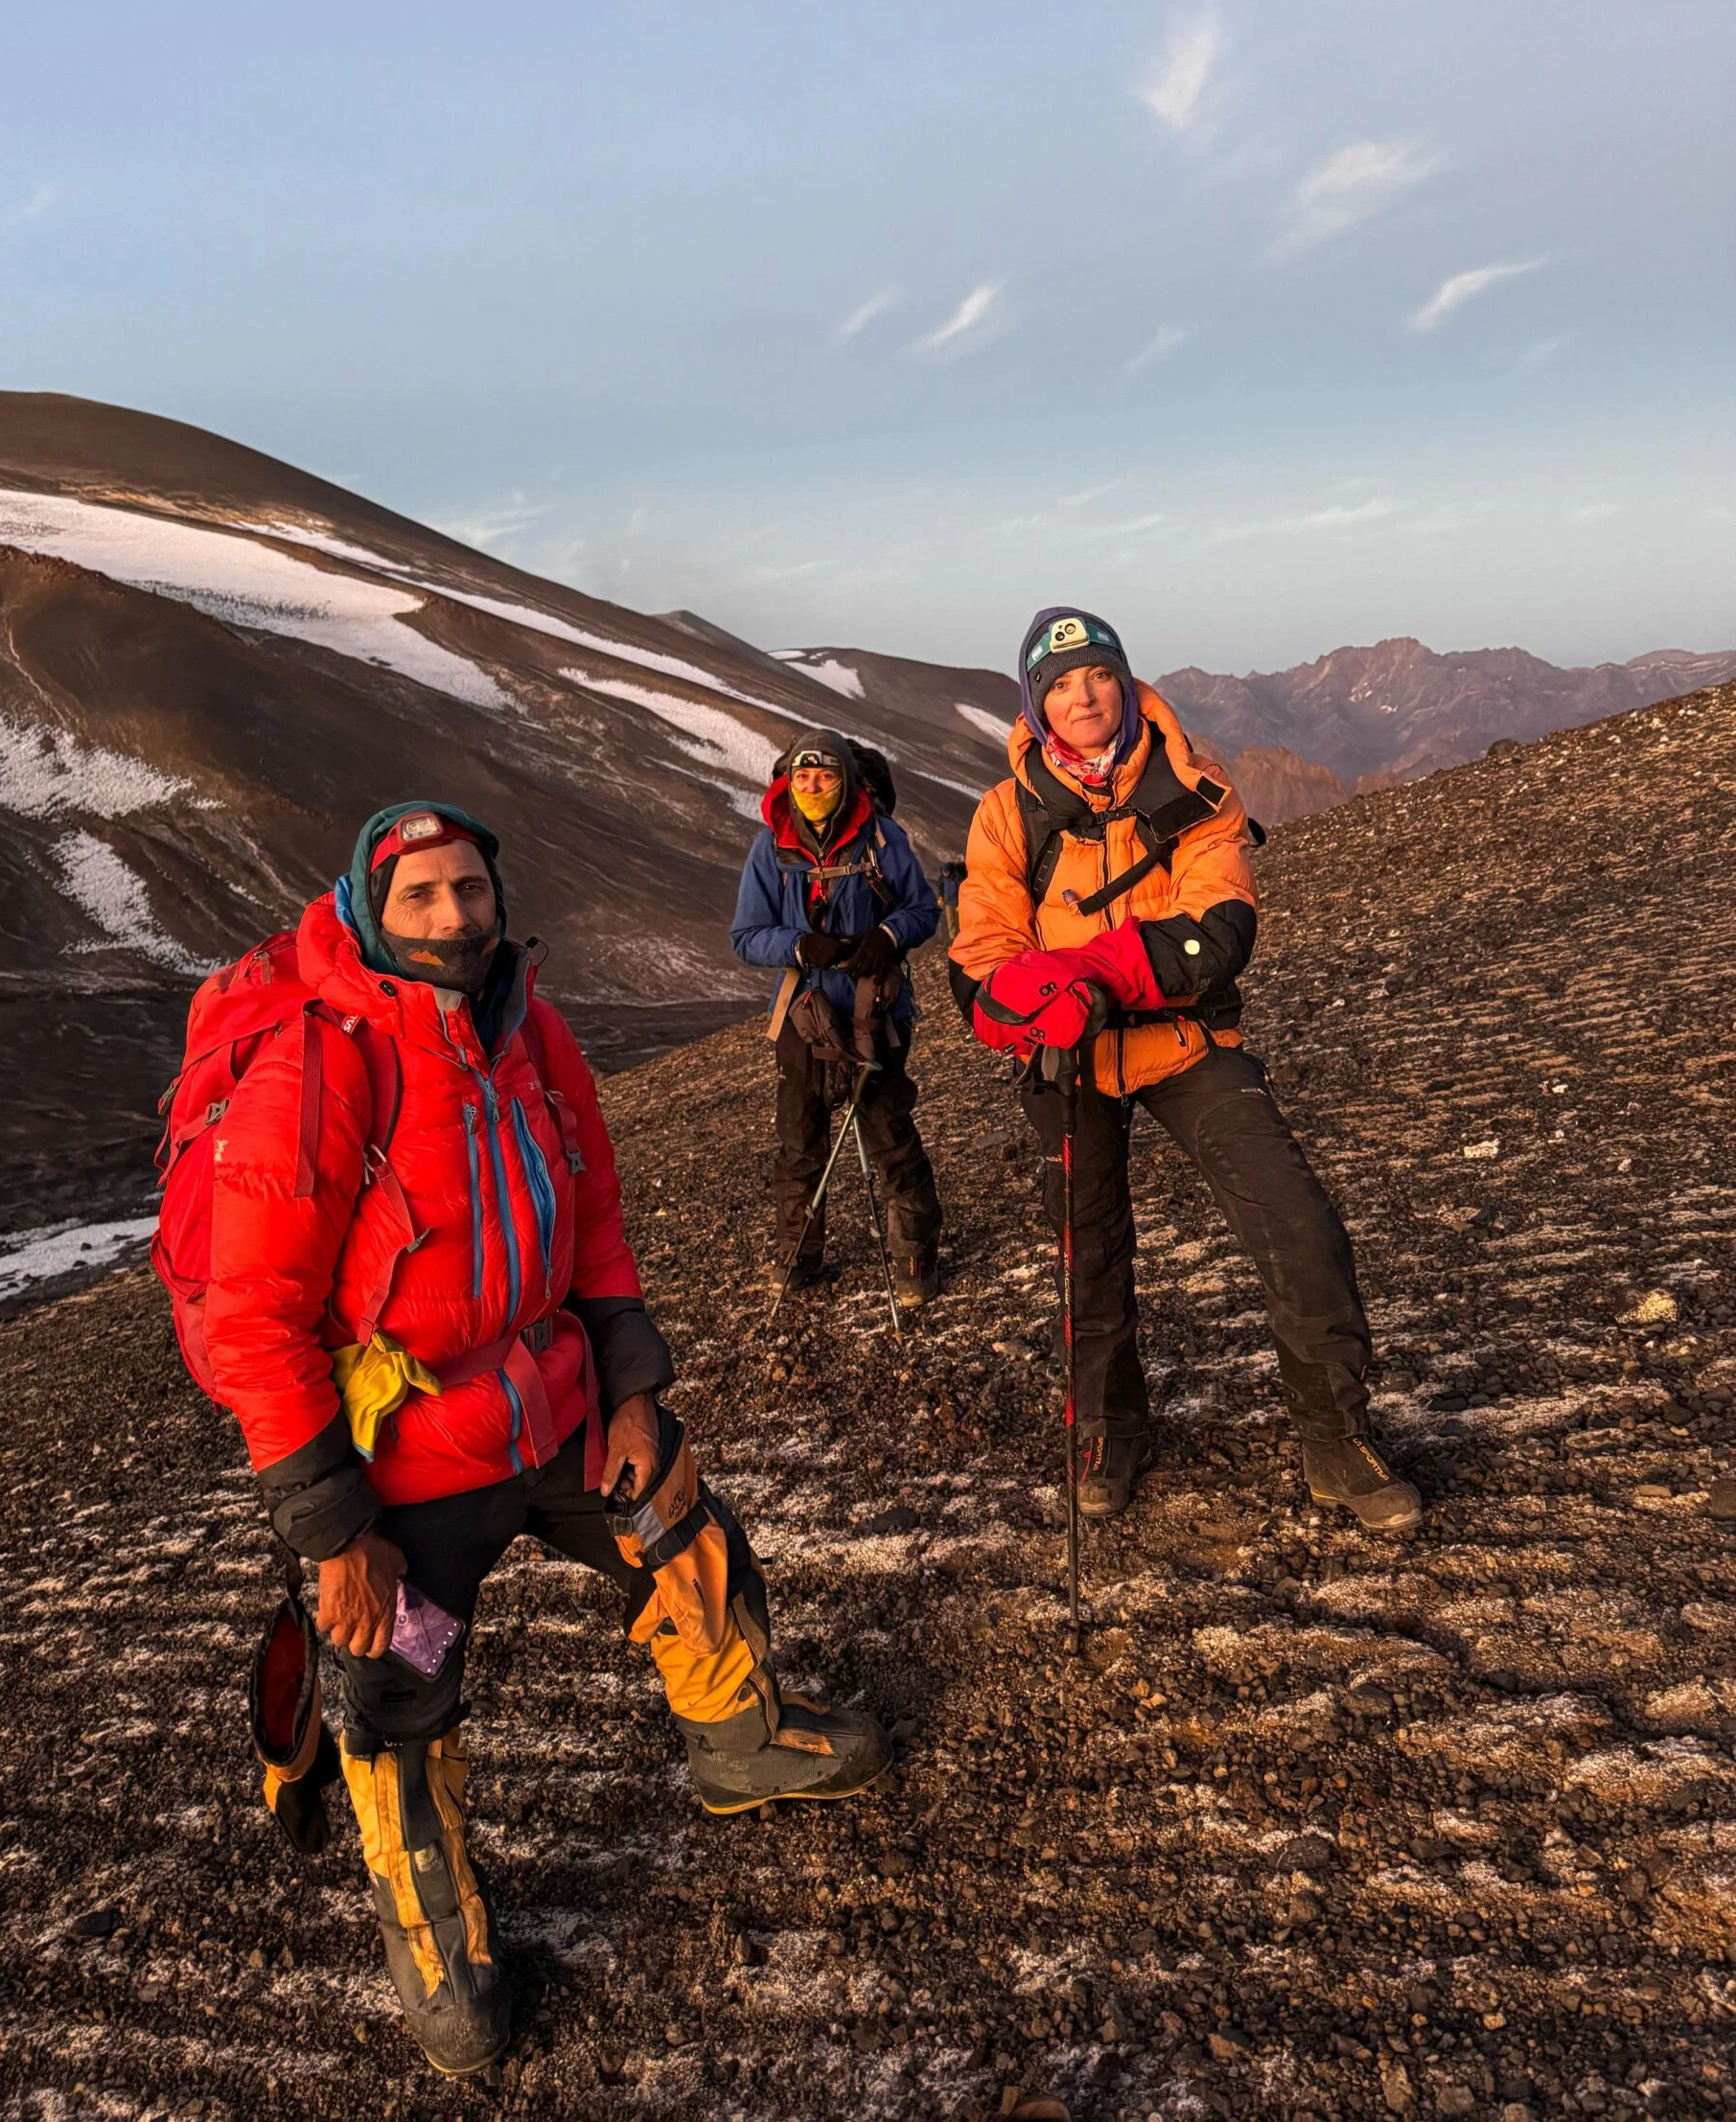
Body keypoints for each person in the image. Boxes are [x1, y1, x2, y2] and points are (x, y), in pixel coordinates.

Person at [205, 802, 890, 2077]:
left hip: (550, 1400)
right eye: (419, 897)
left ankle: (741, 1741)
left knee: (680, 1519)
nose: (453, 916)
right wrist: (337, 1533)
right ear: (368, 907)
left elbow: (594, 1210)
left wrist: (629, 1386)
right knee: (398, 1695)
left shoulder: (528, 1025)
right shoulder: (319, 1064)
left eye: (468, 889)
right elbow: (251, 1318)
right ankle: (437, 1941)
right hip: (403, 1463)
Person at [950, 611, 1422, 1537]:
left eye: (1095, 675)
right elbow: (979, 954)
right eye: (1058, 683)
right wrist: (1033, 999)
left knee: (1298, 1224)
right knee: (1087, 1255)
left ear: (1124, 682)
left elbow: (1222, 924)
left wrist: (1089, 973)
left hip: (1189, 1045)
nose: (1080, 695)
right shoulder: (1006, 812)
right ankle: (1110, 1434)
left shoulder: (1197, 786)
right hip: (1067, 1056)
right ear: (1036, 703)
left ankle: (1337, 1438)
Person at [729, 732, 944, 1306]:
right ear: (786, 783)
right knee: (799, 1137)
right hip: (805, 1014)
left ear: (846, 778)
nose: (813, 788)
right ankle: (797, 1255)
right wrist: (801, 946)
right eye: (802, 778)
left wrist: (887, 935)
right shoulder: (769, 849)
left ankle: (915, 1256)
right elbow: (745, 937)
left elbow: (923, 910)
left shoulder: (880, 837)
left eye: (824, 777)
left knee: (889, 1133)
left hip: (877, 1011)